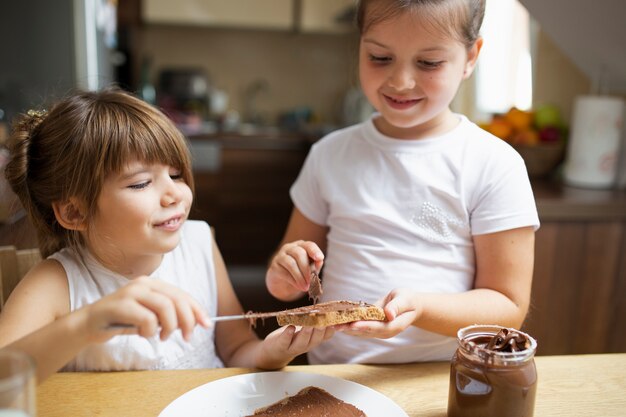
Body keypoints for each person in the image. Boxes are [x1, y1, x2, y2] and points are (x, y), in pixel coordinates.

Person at [266, 0, 539, 364]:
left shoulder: (494, 164)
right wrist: (285, 272)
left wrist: (421, 308)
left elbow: (508, 306)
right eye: (380, 57)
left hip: (438, 380)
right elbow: (284, 282)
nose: (400, 81)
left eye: (428, 63)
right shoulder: (329, 155)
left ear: (471, 56)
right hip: (334, 376)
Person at [0, 88, 333, 382]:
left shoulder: (198, 243)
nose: (174, 194)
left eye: (175, 174)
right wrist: (89, 323)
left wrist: (270, 353)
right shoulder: (58, 282)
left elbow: (236, 348)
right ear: (75, 212)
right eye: (141, 183)